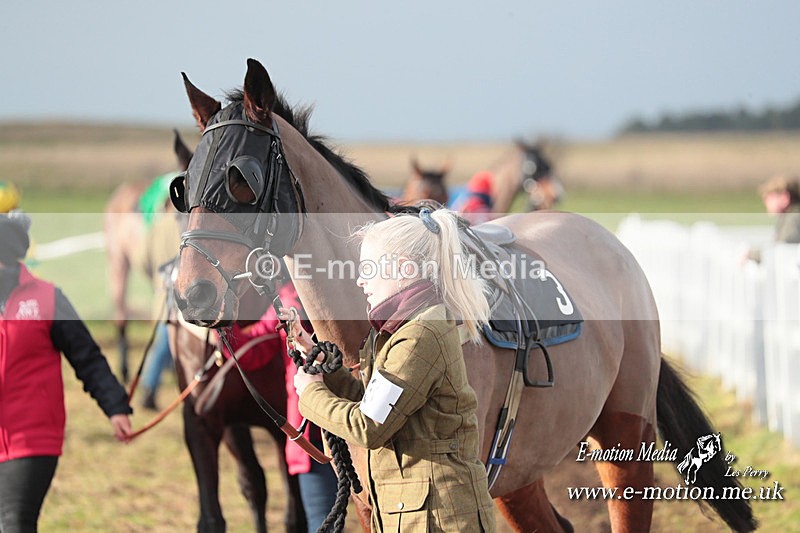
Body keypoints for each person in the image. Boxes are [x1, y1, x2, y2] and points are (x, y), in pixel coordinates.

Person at [287, 208, 496, 532]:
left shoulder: (420, 335)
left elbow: (369, 427)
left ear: (405, 270)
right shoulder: (401, 330)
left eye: (369, 269)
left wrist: (310, 392)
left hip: (439, 521)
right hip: (418, 516)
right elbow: (374, 403)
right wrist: (317, 359)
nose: (360, 280)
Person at [0, 211, 133, 532]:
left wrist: (115, 405)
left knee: (15, 524)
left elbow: (86, 355)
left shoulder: (47, 298)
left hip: (31, 440)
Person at [218, 280, 338, 532]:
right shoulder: (285, 301)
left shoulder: (348, 293)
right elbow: (253, 352)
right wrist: (222, 323)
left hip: (358, 432)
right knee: (322, 526)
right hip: (313, 440)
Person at [745, 174, 800, 263]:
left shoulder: (793, 219)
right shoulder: (789, 217)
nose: (766, 202)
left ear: (784, 197)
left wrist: (750, 254)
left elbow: (781, 250)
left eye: (768, 197)